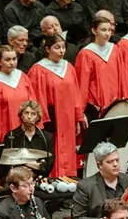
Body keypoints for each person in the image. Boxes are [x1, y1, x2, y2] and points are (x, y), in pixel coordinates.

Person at [27, 33, 85, 178]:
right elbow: (36, 98)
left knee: (69, 151)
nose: (61, 51)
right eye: (57, 47)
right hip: (52, 119)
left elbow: (76, 94)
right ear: (47, 48)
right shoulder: (38, 70)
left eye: (63, 47)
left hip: (68, 118)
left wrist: (78, 117)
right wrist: (42, 122)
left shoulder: (68, 67)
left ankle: (69, 179)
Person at [71, 142, 128, 219]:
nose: (115, 164)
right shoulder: (86, 186)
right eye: (110, 162)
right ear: (99, 165)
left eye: (117, 160)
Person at [0, 42, 33, 141]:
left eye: (14, 59)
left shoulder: (22, 76)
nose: (12, 63)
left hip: (25, 127)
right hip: (4, 130)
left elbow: (32, 102)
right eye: (7, 60)